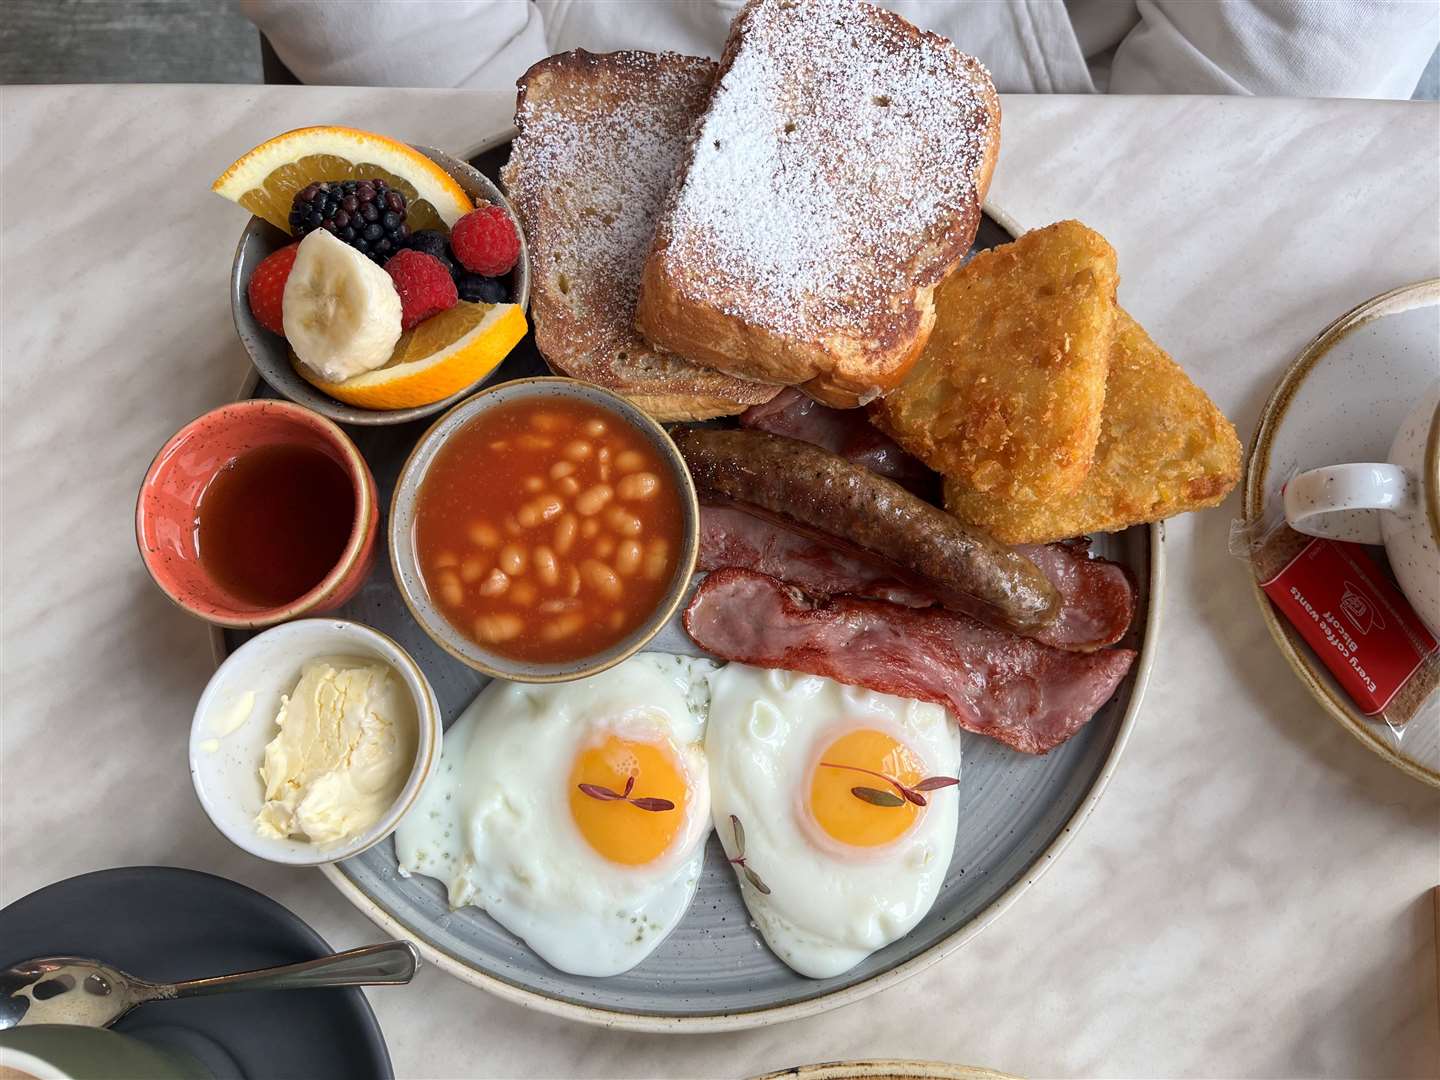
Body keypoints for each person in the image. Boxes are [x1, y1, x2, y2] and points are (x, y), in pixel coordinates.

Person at [241, 0, 1439, 98]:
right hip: (574, 58)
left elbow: (1311, 43)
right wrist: (517, 109)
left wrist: (1104, 142)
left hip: (1058, 88)